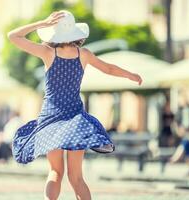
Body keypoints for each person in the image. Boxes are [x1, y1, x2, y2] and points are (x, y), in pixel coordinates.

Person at [8, 10, 142, 200]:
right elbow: (109, 69)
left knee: (55, 172)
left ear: (54, 32)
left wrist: (41, 23)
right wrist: (130, 75)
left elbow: (13, 36)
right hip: (75, 119)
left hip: (51, 119)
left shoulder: (47, 52)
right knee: (76, 177)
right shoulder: (83, 54)